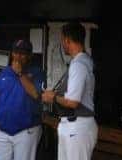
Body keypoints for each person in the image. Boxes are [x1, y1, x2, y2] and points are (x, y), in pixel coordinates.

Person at [42, 22, 98, 160]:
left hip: (78, 127)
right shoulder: (81, 61)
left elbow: (73, 102)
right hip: (73, 126)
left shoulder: (79, 64)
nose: (62, 43)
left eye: (62, 40)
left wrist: (53, 97)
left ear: (67, 40)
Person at [0, 39, 45, 160]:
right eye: (16, 52)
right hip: (3, 131)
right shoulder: (3, 73)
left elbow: (36, 94)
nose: (18, 57)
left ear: (30, 56)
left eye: (22, 53)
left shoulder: (37, 73)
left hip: (26, 131)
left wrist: (20, 73)